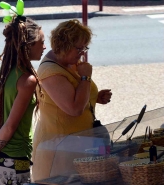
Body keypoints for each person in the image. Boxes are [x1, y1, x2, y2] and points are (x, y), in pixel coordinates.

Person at [31, 19, 112, 181]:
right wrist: (86, 77)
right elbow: (74, 109)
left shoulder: (70, 62)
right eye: (79, 48)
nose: (82, 53)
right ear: (64, 45)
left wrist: (94, 97)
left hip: (77, 147)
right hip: (58, 153)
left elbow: (73, 96)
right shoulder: (50, 71)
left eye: (85, 48)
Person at [0, 15, 46, 185]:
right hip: (13, 161)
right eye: (41, 41)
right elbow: (10, 126)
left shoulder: (5, 72)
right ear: (28, 45)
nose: (44, 46)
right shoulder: (27, 80)